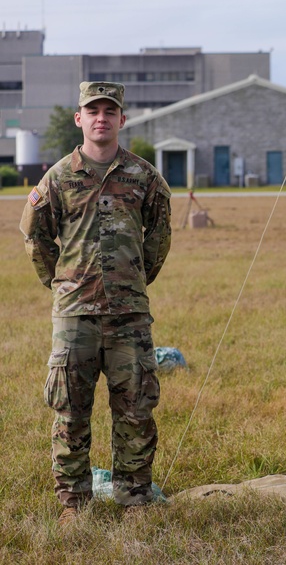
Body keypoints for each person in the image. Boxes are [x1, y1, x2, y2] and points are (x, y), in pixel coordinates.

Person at [20, 82, 172, 527]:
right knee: (70, 410)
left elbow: (160, 237)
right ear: (79, 119)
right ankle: (73, 503)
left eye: (110, 110)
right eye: (93, 110)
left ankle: (135, 497)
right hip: (75, 318)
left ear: (122, 119)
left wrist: (135, 281)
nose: (101, 117)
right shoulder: (58, 177)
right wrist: (60, 282)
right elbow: (36, 236)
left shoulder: (144, 177)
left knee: (136, 407)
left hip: (130, 316)